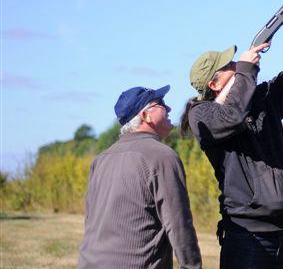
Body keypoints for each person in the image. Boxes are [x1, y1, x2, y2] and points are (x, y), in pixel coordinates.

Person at [179, 0, 283, 268]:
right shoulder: (202, 115)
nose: (237, 65)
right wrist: (247, 68)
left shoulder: (260, 99)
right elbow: (231, 116)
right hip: (247, 237)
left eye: (236, 62)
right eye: (229, 65)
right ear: (214, 82)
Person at [78, 85, 202, 269]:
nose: (168, 108)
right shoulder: (161, 156)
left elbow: (91, 221)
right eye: (160, 103)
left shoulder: (101, 159)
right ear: (145, 115)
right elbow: (178, 224)